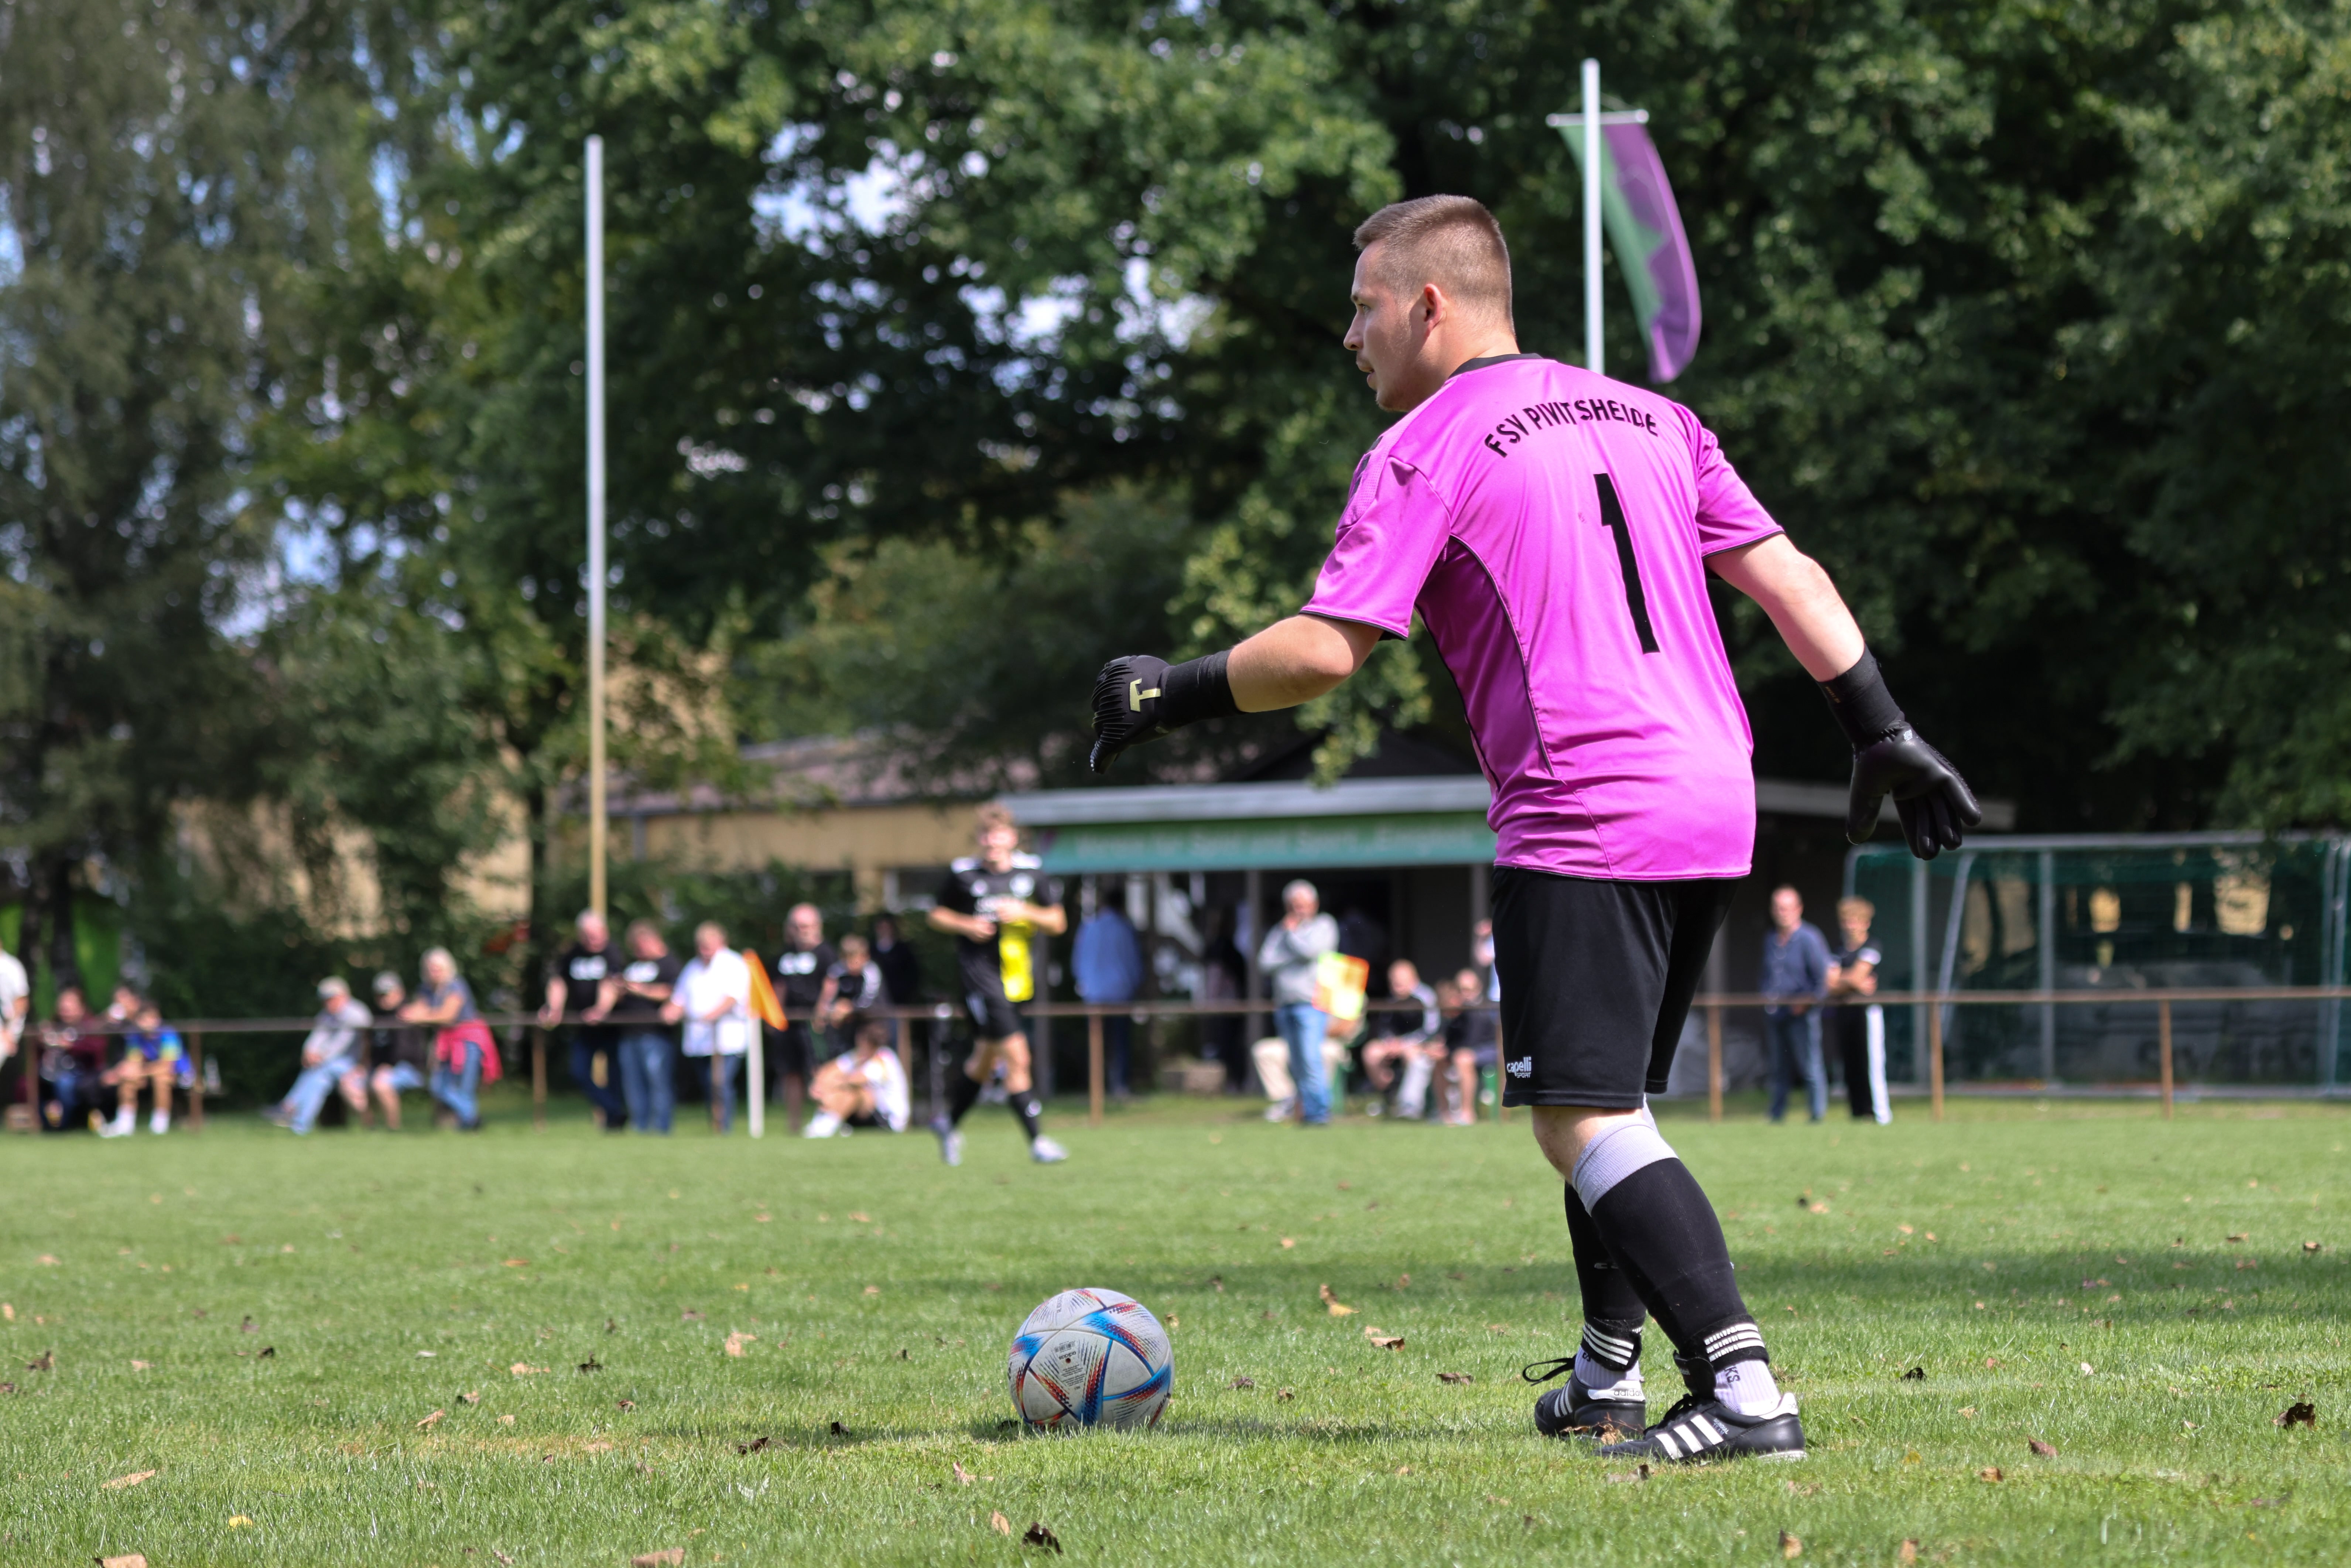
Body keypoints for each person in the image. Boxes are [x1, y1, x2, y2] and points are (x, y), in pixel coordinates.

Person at [1083, 194, 1979, 1462]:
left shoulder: (1424, 443)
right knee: (1608, 1101)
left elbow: (1327, 651)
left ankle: (1739, 1386)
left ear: (1429, 305)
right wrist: (1879, 726)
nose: (1350, 336)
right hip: (1710, 790)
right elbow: (1791, 575)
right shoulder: (1653, 416)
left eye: (1362, 307)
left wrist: (1168, 689)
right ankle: (1606, 1373)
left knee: (1578, 1119)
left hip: (1584, 798)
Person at [925, 803, 1070, 1165]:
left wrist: (1026, 912)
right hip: (980, 979)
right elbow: (936, 914)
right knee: (1018, 1056)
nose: (992, 841)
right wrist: (967, 925)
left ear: (1012, 838)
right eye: (986, 834)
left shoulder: (1031, 872)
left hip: (1017, 980)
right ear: (979, 838)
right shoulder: (963, 874)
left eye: (999, 834)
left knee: (984, 1059)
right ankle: (1037, 1142)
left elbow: (1058, 921)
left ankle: (948, 1123)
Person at [1254, 880, 1339, 1126]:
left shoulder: (1324, 925)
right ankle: (1304, 1112)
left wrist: (1291, 936)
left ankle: (1319, 1113)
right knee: (1297, 1063)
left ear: (1315, 904)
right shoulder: (1279, 930)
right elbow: (1264, 963)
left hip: (1312, 1006)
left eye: (1303, 905)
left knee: (1312, 1059)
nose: (1298, 910)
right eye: (1293, 905)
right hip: (1285, 1005)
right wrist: (1291, 948)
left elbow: (1311, 952)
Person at [588, 920, 681, 1135]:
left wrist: (641, 990)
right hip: (628, 1034)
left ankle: (661, 1128)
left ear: (653, 940)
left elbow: (674, 993)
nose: (638, 951)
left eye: (641, 945)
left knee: (658, 1082)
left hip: (656, 1035)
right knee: (633, 1086)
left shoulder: (670, 964)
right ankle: (640, 1127)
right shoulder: (632, 966)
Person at [541, 910, 627, 1132]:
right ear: (580, 934)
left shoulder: (612, 952)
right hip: (584, 1028)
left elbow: (612, 984)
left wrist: (601, 1010)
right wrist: (554, 1008)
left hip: (612, 1027)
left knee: (616, 1077)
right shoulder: (572, 954)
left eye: (596, 933)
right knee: (579, 1072)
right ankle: (614, 1111)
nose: (593, 938)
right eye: (588, 934)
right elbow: (559, 982)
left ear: (605, 932)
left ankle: (615, 1122)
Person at [669, 921, 753, 1133]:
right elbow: (680, 998)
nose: (704, 950)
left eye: (708, 945)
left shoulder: (733, 963)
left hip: (727, 1039)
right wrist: (671, 1011)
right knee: (709, 1085)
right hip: (699, 1040)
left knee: (720, 1083)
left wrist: (711, 1016)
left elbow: (734, 997)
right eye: (701, 945)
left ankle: (724, 1128)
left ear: (721, 942)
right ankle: (716, 1126)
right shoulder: (693, 967)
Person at [404, 948, 497, 1132]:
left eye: (438, 968)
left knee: (465, 1087)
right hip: (446, 1042)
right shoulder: (426, 988)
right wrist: (417, 1014)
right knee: (438, 1086)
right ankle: (471, 1119)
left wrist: (422, 1016)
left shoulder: (456, 985)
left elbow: (447, 1016)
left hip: (469, 1040)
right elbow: (415, 1010)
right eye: (431, 968)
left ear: (447, 968)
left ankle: (468, 1126)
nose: (434, 972)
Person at [1760, 887, 1832, 1124]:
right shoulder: (1771, 939)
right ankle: (1777, 1115)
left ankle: (1817, 1115)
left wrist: (1807, 1003)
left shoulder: (1810, 938)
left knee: (1810, 1066)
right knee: (1778, 1068)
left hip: (1803, 1015)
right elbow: (1766, 976)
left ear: (1799, 909)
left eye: (1787, 908)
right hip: (1776, 1014)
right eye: (1779, 908)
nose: (1783, 913)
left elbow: (1823, 980)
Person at [266, 978, 371, 1135]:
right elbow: (317, 1037)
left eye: (330, 998)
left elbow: (342, 1043)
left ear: (343, 996)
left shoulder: (356, 1013)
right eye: (324, 1000)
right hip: (331, 1065)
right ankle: (300, 1128)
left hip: (357, 1066)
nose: (327, 1003)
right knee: (319, 1080)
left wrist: (320, 1057)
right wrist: (308, 1052)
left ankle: (288, 1107)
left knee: (320, 1069)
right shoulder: (327, 1015)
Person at [767, 903, 835, 1131]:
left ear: (817, 926)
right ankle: (794, 1125)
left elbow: (831, 984)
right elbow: (779, 987)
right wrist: (775, 1017)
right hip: (789, 1023)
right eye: (797, 926)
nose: (801, 931)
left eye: (806, 926)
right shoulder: (785, 955)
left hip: (814, 1023)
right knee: (791, 1074)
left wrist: (821, 1012)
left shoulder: (826, 953)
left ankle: (826, 1122)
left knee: (820, 1073)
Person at [1071, 896, 1144, 1098]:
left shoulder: (1089, 928)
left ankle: (1094, 1089)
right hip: (1120, 994)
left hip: (1093, 995)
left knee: (1096, 1044)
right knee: (1121, 1044)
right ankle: (1120, 1087)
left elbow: (1077, 962)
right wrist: (1135, 985)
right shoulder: (1124, 929)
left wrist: (1085, 986)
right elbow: (1133, 962)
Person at [1827, 897, 1889, 1124]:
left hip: (1867, 1012)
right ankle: (1858, 1113)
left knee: (1871, 1065)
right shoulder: (1839, 951)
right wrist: (1851, 982)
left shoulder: (1872, 946)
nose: (1851, 925)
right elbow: (1829, 983)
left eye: (1856, 920)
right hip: (1845, 1013)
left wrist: (1845, 979)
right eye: (1847, 920)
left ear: (1866, 922)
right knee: (1850, 1064)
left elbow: (1855, 976)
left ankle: (1879, 1115)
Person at [805, 1014, 912, 1137]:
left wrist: (829, 1087)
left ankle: (826, 1126)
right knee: (839, 1089)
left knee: (856, 1092)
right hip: (869, 1114)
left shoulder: (884, 1059)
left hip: (889, 1120)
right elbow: (830, 1070)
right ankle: (823, 1123)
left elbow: (856, 1080)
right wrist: (818, 1085)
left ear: (865, 1041)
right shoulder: (859, 1056)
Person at [1361, 959, 1444, 1118]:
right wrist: (1391, 1043)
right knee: (1371, 1052)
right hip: (1398, 1045)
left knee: (1412, 1056)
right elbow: (1385, 1027)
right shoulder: (1392, 998)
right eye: (1394, 982)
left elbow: (1430, 1030)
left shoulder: (1426, 998)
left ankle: (1410, 1108)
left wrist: (1404, 1044)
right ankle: (1389, 1095)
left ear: (1413, 979)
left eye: (1400, 982)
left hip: (1421, 1045)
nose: (1396, 986)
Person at [356, 971, 431, 1130]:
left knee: (381, 1083)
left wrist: (389, 1066)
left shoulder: (409, 1013)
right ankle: (370, 1129)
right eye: (380, 995)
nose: (383, 998)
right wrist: (364, 1065)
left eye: (387, 994)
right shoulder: (376, 1015)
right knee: (351, 1083)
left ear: (400, 992)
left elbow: (406, 1050)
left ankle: (393, 1128)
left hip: (411, 1068)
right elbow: (369, 1045)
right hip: (380, 1067)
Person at [100, 998, 187, 1137]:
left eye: (153, 1017)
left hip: (181, 1075)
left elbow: (166, 1066)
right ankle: (125, 1125)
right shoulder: (135, 1035)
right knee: (129, 1080)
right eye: (145, 1018)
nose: (150, 1022)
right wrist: (119, 1073)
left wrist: (140, 1072)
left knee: (162, 1079)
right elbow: (134, 1061)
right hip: (149, 1073)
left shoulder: (168, 1034)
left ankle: (160, 1125)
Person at [37, 986, 109, 1131]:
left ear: (81, 1008)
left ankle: (66, 1125)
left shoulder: (91, 1026)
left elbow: (97, 1050)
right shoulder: (53, 1026)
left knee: (65, 1084)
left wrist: (72, 1046)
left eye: (69, 1008)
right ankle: (46, 1125)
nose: (66, 1011)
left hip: (83, 1074)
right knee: (30, 1084)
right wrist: (41, 1041)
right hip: (50, 1074)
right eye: (63, 1008)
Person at [1443, 965, 1502, 1126]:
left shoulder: (1485, 1007)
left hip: (1491, 1050)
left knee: (1463, 1059)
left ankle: (1467, 1113)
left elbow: (1472, 1042)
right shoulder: (1458, 1010)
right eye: (1461, 990)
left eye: (1469, 989)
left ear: (1479, 988)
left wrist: (1450, 1052)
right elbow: (1450, 1039)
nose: (1466, 994)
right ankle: (1444, 1113)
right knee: (1440, 1059)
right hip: (1465, 1051)